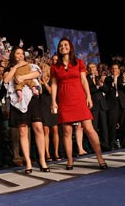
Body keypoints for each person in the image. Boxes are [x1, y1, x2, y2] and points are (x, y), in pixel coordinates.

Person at [50, 37, 107, 170]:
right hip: (64, 101)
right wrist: (53, 101)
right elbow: (53, 84)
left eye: (66, 45)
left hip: (79, 99)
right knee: (67, 131)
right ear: (58, 49)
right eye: (61, 46)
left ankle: (100, 158)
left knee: (89, 128)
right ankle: (70, 161)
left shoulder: (79, 62)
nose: (63, 47)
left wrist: (88, 97)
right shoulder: (55, 67)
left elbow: (84, 80)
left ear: (70, 47)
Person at [3, 46, 49, 174]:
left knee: (38, 128)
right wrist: (16, 67)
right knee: (23, 132)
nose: (20, 56)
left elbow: (37, 73)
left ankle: (42, 160)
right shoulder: (9, 69)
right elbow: (6, 80)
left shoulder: (30, 65)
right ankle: (28, 162)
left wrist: (23, 77)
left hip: (32, 100)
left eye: (22, 54)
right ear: (13, 55)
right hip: (18, 101)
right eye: (17, 53)